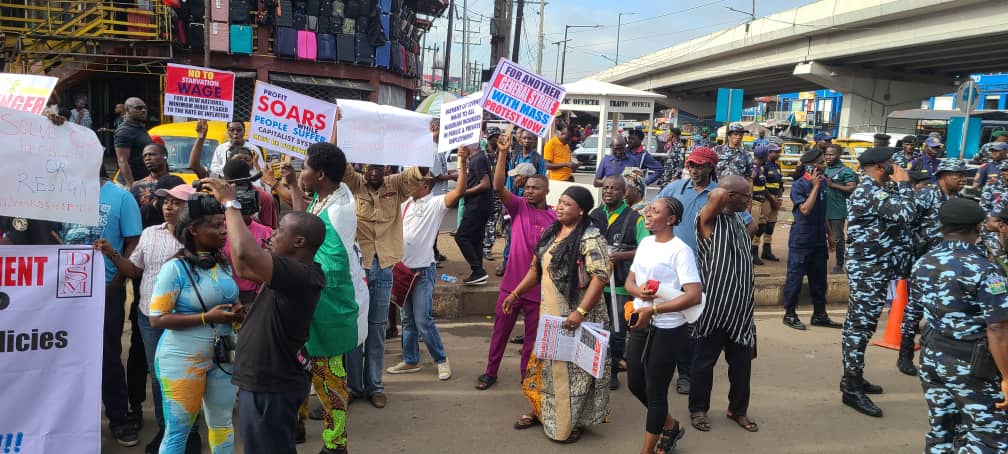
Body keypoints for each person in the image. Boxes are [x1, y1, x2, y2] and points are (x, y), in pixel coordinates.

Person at [199, 179, 327, 454]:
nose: (271, 235)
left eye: (280, 231)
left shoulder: (300, 275)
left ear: (299, 242)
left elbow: (246, 253)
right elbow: (243, 266)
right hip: (267, 380)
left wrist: (230, 205)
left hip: (271, 383)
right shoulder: (290, 270)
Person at [279, 143, 366, 452]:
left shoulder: (340, 211)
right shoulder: (325, 196)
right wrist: (292, 185)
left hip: (329, 307)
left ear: (320, 174)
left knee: (329, 379)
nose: (301, 171)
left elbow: (333, 265)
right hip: (313, 304)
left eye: (304, 168)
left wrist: (288, 268)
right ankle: (298, 425)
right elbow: (305, 222)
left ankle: (336, 443)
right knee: (303, 369)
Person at [508, 186, 611, 443]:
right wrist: (516, 293)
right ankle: (542, 411)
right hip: (551, 315)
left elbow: (599, 277)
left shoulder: (590, 237)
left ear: (582, 210)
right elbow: (536, 269)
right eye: (559, 203)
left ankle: (572, 421)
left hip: (578, 317)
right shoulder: (552, 233)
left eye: (566, 204)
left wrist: (580, 311)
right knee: (544, 365)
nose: (559, 207)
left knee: (576, 373)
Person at [910, 198, 1008, 453]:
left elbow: (920, 309)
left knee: (942, 430)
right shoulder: (984, 270)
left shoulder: (924, 262)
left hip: (933, 357)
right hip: (972, 364)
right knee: (989, 438)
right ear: (978, 228)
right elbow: (998, 329)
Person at [61, 165, 143, 446]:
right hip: (65, 292)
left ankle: (119, 419)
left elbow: (133, 240)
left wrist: (117, 281)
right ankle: (71, 421)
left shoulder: (121, 197)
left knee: (107, 356)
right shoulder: (60, 192)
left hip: (106, 290)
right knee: (65, 355)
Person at [147, 206, 239, 453]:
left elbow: (232, 298)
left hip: (225, 352)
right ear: (194, 230)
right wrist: (205, 317)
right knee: (178, 431)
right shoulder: (174, 269)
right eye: (216, 225)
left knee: (223, 424)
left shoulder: (223, 263)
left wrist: (238, 311)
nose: (224, 230)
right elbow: (156, 318)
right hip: (181, 357)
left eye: (224, 224)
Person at [342, 158, 427, 408]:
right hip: (358, 268)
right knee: (355, 328)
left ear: (386, 168)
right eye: (368, 168)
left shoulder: (396, 185)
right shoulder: (355, 184)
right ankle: (353, 386)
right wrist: (337, 125)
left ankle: (375, 386)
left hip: (384, 267)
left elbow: (419, 172)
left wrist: (430, 142)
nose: (372, 172)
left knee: (377, 328)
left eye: (377, 167)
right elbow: (341, 166)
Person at [840, 147, 917, 418]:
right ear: (881, 167)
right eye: (891, 163)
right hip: (868, 270)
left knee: (864, 324)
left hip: (880, 268)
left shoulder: (881, 189)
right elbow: (907, 213)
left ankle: (854, 377)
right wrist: (905, 184)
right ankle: (851, 385)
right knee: (859, 326)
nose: (897, 167)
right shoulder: (869, 192)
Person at [476, 135, 555, 390]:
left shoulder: (555, 217)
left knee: (531, 339)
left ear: (547, 190)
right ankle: (490, 372)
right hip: (511, 286)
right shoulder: (519, 206)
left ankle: (526, 376)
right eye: (527, 187)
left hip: (538, 290)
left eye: (536, 187)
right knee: (500, 332)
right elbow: (498, 186)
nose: (529, 191)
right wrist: (502, 153)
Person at [624, 196, 701, 454]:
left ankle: (647, 450)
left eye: (655, 211)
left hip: (668, 327)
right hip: (640, 321)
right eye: (648, 209)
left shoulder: (681, 250)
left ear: (670, 219)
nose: (647, 213)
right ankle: (671, 426)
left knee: (655, 391)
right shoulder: (645, 243)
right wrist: (640, 293)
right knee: (636, 384)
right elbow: (629, 282)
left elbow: (693, 295)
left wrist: (654, 309)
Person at [386, 151, 467, 381]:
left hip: (422, 271)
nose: (410, 184)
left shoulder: (435, 204)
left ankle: (441, 360)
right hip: (402, 270)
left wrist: (462, 162)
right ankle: (411, 360)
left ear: (425, 185)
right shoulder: (405, 205)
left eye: (415, 181)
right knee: (408, 319)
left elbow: (459, 191)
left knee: (422, 319)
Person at [688, 175, 758, 433]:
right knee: (703, 364)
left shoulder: (740, 221)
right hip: (714, 310)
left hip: (740, 311)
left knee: (741, 367)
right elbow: (716, 196)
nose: (749, 199)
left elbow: (751, 229)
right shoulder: (706, 221)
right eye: (745, 195)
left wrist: (741, 195)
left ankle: (737, 410)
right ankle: (698, 410)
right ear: (728, 196)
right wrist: (727, 189)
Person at [898, 159, 968, 377]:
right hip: (927, 262)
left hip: (953, 264)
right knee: (915, 308)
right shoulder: (927, 196)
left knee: (946, 308)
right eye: (958, 175)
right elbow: (907, 222)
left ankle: (940, 357)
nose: (962, 179)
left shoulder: (960, 201)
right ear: (943, 176)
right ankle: (905, 354)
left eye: (963, 175)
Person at [589, 176, 648, 390]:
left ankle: (612, 372)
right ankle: (595, 368)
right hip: (596, 282)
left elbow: (645, 248)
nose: (609, 191)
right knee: (596, 328)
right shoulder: (594, 215)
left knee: (617, 331)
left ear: (624, 193)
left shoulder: (635, 218)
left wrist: (621, 256)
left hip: (621, 285)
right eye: (605, 188)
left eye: (614, 188)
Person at [782, 149, 844, 330]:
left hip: (818, 238)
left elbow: (821, 212)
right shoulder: (800, 185)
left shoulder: (823, 183)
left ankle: (819, 314)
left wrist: (830, 234)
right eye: (821, 163)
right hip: (802, 239)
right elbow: (805, 210)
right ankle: (790, 314)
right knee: (795, 278)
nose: (824, 165)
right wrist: (815, 187)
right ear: (811, 166)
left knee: (819, 279)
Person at [453, 142, 493, 285]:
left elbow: (485, 184)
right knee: (476, 239)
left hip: (478, 204)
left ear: (473, 145)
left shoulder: (477, 159)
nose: (461, 147)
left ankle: (478, 270)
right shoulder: (478, 158)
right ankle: (478, 273)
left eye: (464, 144)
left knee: (461, 236)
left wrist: (463, 193)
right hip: (481, 204)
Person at [822, 144, 857, 273]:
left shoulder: (845, 171)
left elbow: (852, 188)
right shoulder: (823, 168)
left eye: (832, 154)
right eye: (826, 154)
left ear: (838, 155)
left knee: (838, 238)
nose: (828, 157)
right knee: (819, 237)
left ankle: (839, 264)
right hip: (822, 209)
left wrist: (833, 185)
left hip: (836, 210)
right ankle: (820, 262)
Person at [115, 97, 153, 186]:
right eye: (139, 108)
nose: (143, 110)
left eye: (145, 108)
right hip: (131, 184)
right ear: (127, 109)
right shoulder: (124, 131)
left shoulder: (139, 127)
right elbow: (122, 160)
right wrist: (131, 185)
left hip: (143, 181)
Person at [757, 143, 783, 262]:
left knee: (771, 225)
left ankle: (767, 250)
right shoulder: (764, 167)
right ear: (769, 153)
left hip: (775, 197)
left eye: (778, 151)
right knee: (762, 225)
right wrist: (772, 200)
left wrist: (780, 196)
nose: (778, 154)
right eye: (775, 152)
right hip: (767, 198)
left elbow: (780, 183)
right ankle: (754, 250)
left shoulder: (777, 166)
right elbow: (763, 185)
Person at [483, 127, 504, 260]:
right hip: (483, 192)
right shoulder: (481, 154)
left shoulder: (502, 154)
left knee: (492, 221)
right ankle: (479, 245)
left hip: (496, 193)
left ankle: (487, 247)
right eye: (493, 136)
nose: (496, 139)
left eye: (498, 136)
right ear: (489, 138)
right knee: (481, 220)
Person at [749, 146, 770, 265]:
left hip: (761, 202)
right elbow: (750, 184)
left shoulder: (760, 169)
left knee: (761, 227)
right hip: (754, 202)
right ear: (763, 156)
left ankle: (754, 253)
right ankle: (750, 254)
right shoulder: (754, 169)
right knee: (753, 229)